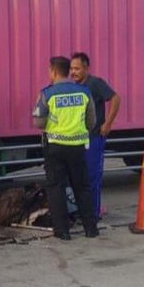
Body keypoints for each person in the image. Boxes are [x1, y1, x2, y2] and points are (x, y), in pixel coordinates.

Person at [32, 56, 99, 240]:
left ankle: (62, 231)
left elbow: (38, 122)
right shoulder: (84, 92)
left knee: (56, 188)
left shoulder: (47, 94)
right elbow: (92, 121)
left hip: (55, 147)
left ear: (53, 72)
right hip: (77, 147)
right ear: (68, 71)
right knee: (82, 187)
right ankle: (90, 228)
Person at [70, 52, 121, 219]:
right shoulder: (75, 88)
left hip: (94, 138)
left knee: (92, 176)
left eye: (77, 68)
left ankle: (94, 212)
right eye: (71, 69)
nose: (73, 72)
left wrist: (108, 123)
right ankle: (83, 209)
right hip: (78, 139)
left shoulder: (95, 83)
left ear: (86, 68)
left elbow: (115, 98)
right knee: (79, 177)